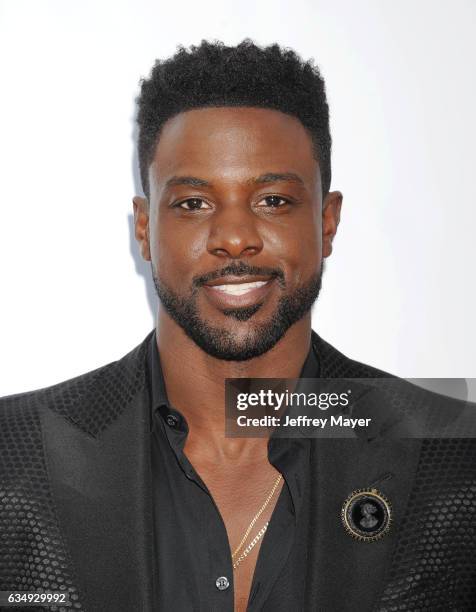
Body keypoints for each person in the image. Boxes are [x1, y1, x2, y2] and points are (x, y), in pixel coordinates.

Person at [1, 40, 475, 612]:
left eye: (273, 200)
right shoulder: (13, 453)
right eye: (194, 203)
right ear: (145, 229)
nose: (234, 237)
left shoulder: (454, 455)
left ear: (327, 222)